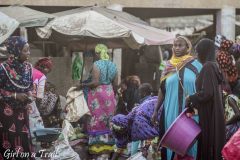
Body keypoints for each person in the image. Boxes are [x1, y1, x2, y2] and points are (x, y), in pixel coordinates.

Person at [152, 36, 202, 160]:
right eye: (175, 45)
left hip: (192, 114)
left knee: (191, 143)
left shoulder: (196, 65)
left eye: (180, 45)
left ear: (187, 48)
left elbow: (202, 90)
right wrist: (155, 110)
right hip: (170, 113)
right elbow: (162, 89)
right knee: (171, 144)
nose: (177, 48)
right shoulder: (167, 66)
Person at [186, 38, 225, 160]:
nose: (196, 55)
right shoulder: (214, 66)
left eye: (198, 52)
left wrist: (191, 97)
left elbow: (207, 93)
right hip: (214, 112)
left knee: (207, 145)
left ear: (204, 52)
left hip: (209, 113)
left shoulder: (208, 67)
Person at [77, 44, 118, 159]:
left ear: (97, 53)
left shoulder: (97, 64)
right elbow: (116, 84)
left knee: (96, 119)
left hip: (98, 95)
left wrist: (82, 84)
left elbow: (95, 82)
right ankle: (108, 147)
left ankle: (97, 147)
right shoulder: (113, 65)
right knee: (108, 120)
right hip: (109, 94)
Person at [0, 36, 33, 159]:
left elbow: (30, 87)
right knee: (10, 141)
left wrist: (30, 96)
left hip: (23, 113)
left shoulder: (28, 68)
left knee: (23, 140)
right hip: (6, 114)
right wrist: (14, 95)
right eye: (25, 50)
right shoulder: (3, 68)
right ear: (16, 51)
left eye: (29, 50)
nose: (28, 53)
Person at [111, 83, 161, 160]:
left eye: (139, 93)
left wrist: (146, 148)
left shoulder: (137, 123)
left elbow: (151, 135)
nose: (138, 95)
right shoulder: (138, 111)